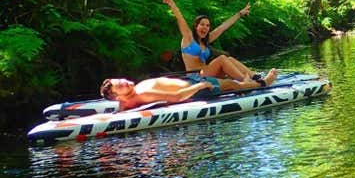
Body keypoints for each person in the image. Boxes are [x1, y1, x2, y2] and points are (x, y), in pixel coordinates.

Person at [158, 0, 273, 85]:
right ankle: (245, 82)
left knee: (229, 59)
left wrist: (240, 14)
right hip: (195, 78)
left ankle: (254, 76)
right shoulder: (188, 38)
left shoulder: (205, 40)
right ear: (196, 26)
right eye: (202, 25)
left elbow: (222, 27)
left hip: (207, 73)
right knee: (222, 58)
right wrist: (171, 3)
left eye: (207, 26)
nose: (205, 28)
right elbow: (180, 19)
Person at [99, 71, 278, 111]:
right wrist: (199, 86)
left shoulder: (128, 96)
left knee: (230, 82)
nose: (125, 83)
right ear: (117, 95)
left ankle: (248, 82)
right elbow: (176, 97)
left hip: (190, 80)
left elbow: (121, 107)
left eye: (121, 80)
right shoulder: (141, 94)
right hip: (195, 88)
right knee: (232, 85)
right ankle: (264, 83)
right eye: (120, 86)